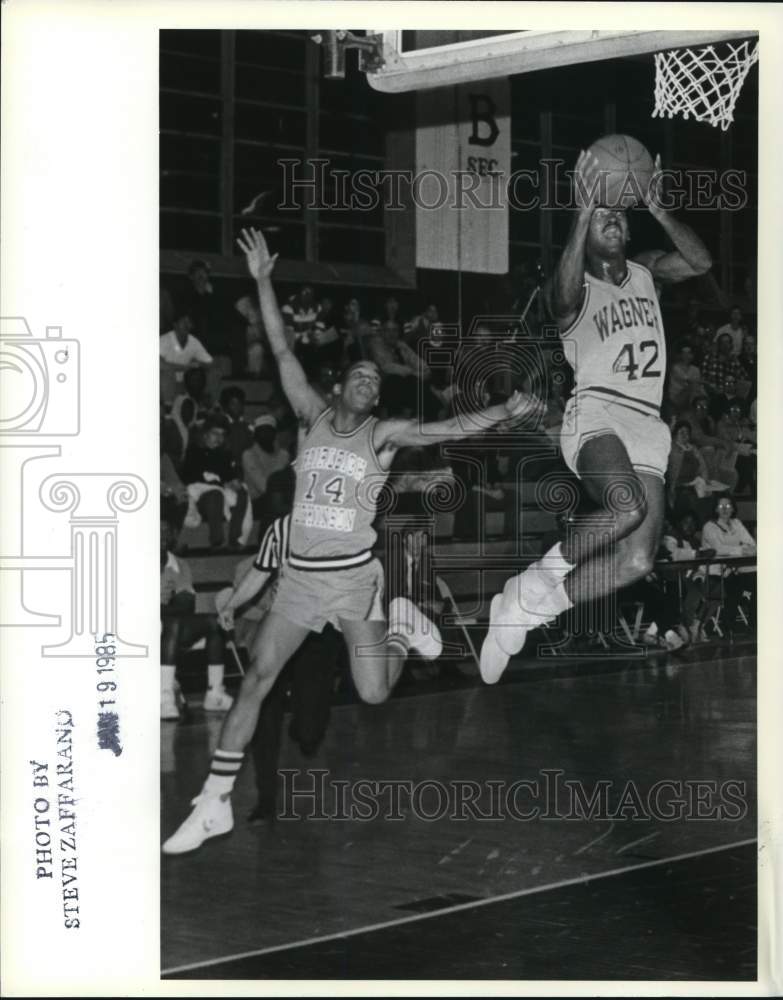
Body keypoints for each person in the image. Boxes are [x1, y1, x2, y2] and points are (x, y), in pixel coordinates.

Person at [162, 228, 535, 853]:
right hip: (300, 582)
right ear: (337, 387)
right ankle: (214, 801)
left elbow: (447, 427)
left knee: (373, 692)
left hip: (355, 580)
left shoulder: (381, 436)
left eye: (373, 380)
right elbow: (281, 350)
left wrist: (502, 412)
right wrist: (261, 280)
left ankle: (402, 627)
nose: (367, 382)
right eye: (358, 374)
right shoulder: (310, 418)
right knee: (257, 678)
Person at [480, 148, 712, 682]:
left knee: (638, 561)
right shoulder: (574, 284)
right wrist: (583, 211)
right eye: (603, 214)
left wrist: (658, 209)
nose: (613, 219)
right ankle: (536, 579)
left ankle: (528, 610)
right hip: (597, 410)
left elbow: (700, 263)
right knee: (626, 505)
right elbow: (559, 299)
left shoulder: (647, 271)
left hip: (648, 422)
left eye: (619, 215)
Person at [215, 513, 342, 822]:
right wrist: (232, 605)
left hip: (319, 633)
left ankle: (303, 725)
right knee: (264, 713)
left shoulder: (337, 531)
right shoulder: (277, 537)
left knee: (309, 732)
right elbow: (255, 579)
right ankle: (266, 799)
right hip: (278, 631)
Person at [160, 520, 232, 719]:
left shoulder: (179, 564)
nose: (161, 535)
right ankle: (164, 697)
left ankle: (215, 693)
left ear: (172, 536)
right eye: (156, 530)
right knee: (173, 622)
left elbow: (186, 605)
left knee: (214, 622)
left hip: (169, 625)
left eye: (165, 531)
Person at [181, 416, 251, 551]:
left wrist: (233, 482)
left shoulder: (224, 454)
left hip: (220, 490)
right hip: (201, 495)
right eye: (215, 433)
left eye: (222, 434)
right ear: (205, 434)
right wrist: (217, 482)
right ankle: (216, 540)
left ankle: (235, 537)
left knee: (241, 491)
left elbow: (228, 475)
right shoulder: (193, 450)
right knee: (215, 494)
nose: (219, 438)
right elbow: (188, 478)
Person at [700, 496, 756, 638]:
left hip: (735, 569)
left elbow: (751, 544)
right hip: (716, 572)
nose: (725, 509)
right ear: (715, 509)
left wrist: (746, 549)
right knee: (734, 587)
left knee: (757, 581)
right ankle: (727, 626)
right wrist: (741, 550)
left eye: (728, 506)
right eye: (721, 506)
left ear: (733, 508)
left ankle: (754, 624)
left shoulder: (737, 523)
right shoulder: (709, 526)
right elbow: (718, 549)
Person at [241, 414, 291, 521]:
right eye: (261, 431)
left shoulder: (283, 454)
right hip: (255, 502)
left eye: (269, 431)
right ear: (255, 435)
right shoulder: (249, 454)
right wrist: (281, 460)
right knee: (275, 500)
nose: (265, 434)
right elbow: (264, 487)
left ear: (275, 434)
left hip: (279, 498)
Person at [159, 309, 213, 406]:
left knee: (211, 373)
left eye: (189, 322)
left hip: (185, 383)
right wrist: (185, 367)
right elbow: (159, 364)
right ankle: (167, 409)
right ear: (175, 324)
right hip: (164, 384)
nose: (187, 325)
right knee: (167, 373)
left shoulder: (193, 341)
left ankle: (207, 406)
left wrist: (198, 363)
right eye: (183, 322)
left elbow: (209, 362)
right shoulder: (164, 340)